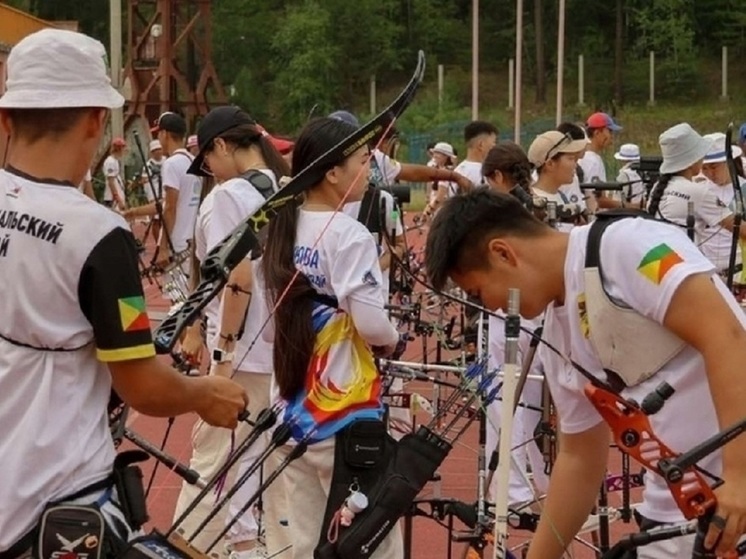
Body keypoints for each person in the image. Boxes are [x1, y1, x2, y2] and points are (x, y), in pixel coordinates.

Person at [0, 28, 248, 558]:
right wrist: (206, 393)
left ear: (6, 118)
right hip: (55, 504)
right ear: (96, 120)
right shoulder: (99, 236)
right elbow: (144, 388)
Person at [424, 187, 746, 558]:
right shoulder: (555, 337)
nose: (492, 308)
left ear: (502, 253)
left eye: (479, 293)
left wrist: (739, 479)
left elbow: (729, 337)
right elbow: (579, 458)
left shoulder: (628, 246)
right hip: (678, 520)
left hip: (734, 507)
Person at [259, 117, 403, 559]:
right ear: (332, 173)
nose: (370, 172)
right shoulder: (349, 234)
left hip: (290, 410)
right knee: (370, 542)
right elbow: (373, 324)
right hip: (343, 413)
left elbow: (269, 329)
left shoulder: (283, 227)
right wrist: (391, 339)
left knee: (305, 540)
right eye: (363, 161)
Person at [173, 106, 291, 558]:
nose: (208, 174)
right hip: (279, 349)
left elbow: (236, 278)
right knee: (253, 466)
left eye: (206, 163)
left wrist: (220, 358)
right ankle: (245, 549)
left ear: (221, 145)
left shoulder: (227, 197)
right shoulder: (287, 188)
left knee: (211, 466)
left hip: (241, 354)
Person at [648, 123, 746, 272]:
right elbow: (740, 228)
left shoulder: (658, 187)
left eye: (714, 167)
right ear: (692, 160)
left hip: (658, 268)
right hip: (683, 270)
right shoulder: (697, 191)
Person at [152, 111, 201, 269]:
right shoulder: (193, 161)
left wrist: (164, 247)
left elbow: (170, 207)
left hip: (178, 243)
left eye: (158, 134)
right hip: (195, 240)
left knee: (176, 294)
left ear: (165, 133)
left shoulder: (171, 164)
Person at [698, 132, 745, 277]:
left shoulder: (743, 188)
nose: (709, 173)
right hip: (707, 270)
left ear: (729, 163)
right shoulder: (698, 190)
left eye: (714, 167)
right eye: (704, 168)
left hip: (739, 269)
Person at [527, 131, 588, 230]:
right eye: (570, 159)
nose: (575, 165)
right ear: (550, 164)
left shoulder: (561, 196)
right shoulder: (535, 205)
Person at [579, 111, 623, 209]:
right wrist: (628, 206)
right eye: (609, 131)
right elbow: (597, 199)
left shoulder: (586, 156)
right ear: (597, 133)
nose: (612, 136)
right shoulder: (592, 160)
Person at [614, 143, 645, 208]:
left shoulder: (624, 175)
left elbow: (618, 201)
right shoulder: (644, 172)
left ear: (622, 159)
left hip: (627, 213)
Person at [103, 136, 127, 210]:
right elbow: (111, 182)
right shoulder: (110, 162)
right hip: (112, 198)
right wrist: (118, 199)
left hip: (118, 195)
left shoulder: (115, 161)